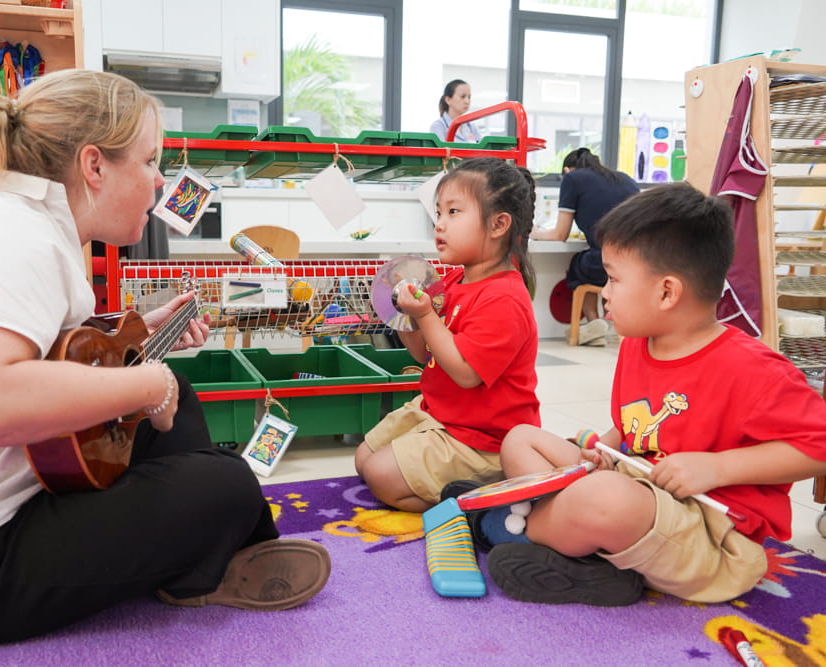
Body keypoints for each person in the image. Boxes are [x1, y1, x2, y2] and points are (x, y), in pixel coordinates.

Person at [0, 69, 330, 649]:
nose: (160, 182)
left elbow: (34, 354)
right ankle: (206, 546)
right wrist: (144, 386)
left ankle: (204, 546)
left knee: (178, 401)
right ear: (94, 166)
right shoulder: (10, 237)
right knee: (227, 482)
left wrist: (137, 344)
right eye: (148, 162)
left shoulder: (15, 223)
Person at [471, 184, 826, 606]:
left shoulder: (755, 370)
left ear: (666, 292)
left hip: (709, 533)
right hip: (638, 489)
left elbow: (818, 448)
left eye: (614, 278)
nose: (604, 290)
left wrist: (717, 467)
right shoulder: (640, 342)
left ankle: (511, 524)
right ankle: (584, 558)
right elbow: (634, 427)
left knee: (604, 500)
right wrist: (607, 446)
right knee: (522, 438)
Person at [354, 158, 541, 513]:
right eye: (438, 213)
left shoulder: (505, 298)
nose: (440, 224)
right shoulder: (452, 281)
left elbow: (466, 374)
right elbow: (425, 355)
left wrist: (425, 313)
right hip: (440, 414)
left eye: (454, 212)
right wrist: (406, 317)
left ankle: (492, 490)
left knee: (379, 475)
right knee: (364, 458)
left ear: (499, 224)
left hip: (482, 439)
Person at [531, 147, 639, 346]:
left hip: (602, 262)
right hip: (636, 262)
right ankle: (604, 324)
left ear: (566, 170)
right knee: (598, 261)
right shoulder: (625, 179)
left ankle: (594, 322)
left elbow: (559, 234)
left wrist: (535, 233)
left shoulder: (573, 179)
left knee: (580, 263)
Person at [429, 79, 483, 143]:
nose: (467, 101)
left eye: (469, 97)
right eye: (462, 97)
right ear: (448, 100)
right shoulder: (438, 126)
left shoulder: (471, 127)